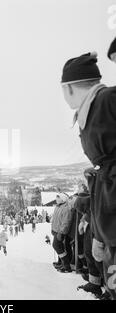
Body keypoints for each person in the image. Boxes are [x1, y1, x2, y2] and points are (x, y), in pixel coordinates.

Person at [61, 52, 116, 298]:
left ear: (69, 88)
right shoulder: (93, 108)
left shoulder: (106, 101)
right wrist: (101, 233)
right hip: (108, 215)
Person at [51, 193, 73, 273]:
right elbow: (54, 219)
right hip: (56, 230)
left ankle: (67, 266)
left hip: (61, 231)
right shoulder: (57, 207)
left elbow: (66, 222)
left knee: (56, 246)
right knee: (60, 247)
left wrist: (61, 232)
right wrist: (53, 229)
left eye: (58, 197)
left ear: (63, 199)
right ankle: (62, 263)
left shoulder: (66, 208)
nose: (56, 199)